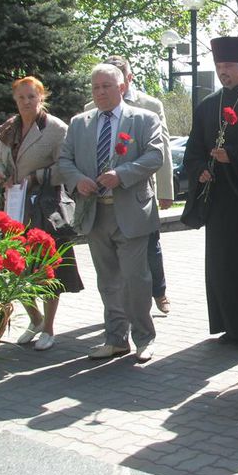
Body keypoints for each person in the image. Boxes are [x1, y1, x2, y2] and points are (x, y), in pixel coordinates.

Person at [58, 64, 164, 362]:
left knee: (135, 278)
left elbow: (155, 155)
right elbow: (65, 160)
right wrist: (78, 179)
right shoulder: (80, 123)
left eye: (106, 86)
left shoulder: (144, 119)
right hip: (95, 213)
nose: (100, 92)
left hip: (131, 212)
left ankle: (144, 337)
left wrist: (123, 173)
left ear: (121, 87)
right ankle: (115, 338)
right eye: (95, 87)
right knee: (108, 280)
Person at [182, 37, 238, 346]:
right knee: (222, 265)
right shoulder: (208, 105)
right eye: (219, 67)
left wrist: (232, 153)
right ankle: (230, 325)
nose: (224, 72)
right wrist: (200, 169)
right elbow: (192, 151)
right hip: (219, 199)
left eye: (229, 66)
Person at [0, 76, 84, 351]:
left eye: (31, 96)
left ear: (41, 98)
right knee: (15, 265)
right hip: (14, 205)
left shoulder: (56, 128)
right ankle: (34, 317)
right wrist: (0, 172)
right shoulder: (10, 128)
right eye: (21, 97)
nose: (26, 102)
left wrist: (37, 176)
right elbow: (0, 159)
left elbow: (67, 166)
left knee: (46, 268)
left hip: (45, 207)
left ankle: (49, 328)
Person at [85, 55, 174, 315]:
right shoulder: (91, 107)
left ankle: (159, 291)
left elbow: (163, 148)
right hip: (102, 197)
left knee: (150, 247)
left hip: (138, 192)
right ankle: (121, 314)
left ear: (126, 80)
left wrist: (166, 191)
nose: (102, 90)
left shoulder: (149, 105)